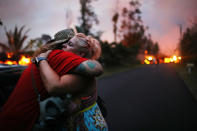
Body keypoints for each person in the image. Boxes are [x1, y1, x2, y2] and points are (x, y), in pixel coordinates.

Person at [0, 29, 108, 130]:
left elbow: (55, 86)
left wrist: (42, 59)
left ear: (81, 54)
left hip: (86, 125)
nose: (63, 46)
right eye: (65, 43)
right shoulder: (69, 66)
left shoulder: (76, 72)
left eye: (70, 44)